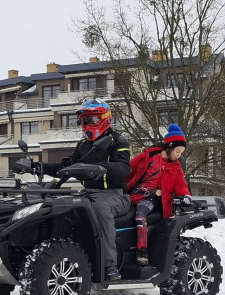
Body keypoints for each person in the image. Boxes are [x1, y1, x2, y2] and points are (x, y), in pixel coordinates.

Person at [35, 98, 131, 281]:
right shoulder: (83, 145)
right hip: (88, 194)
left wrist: (103, 167)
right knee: (64, 207)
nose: (87, 124)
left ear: (105, 118)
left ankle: (110, 265)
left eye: (92, 119)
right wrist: (41, 167)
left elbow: (124, 168)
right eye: (84, 120)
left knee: (100, 209)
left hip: (115, 195)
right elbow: (67, 167)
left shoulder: (118, 141)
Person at [126, 124, 192, 266]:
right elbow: (128, 170)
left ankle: (142, 251)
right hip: (133, 195)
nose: (179, 155)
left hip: (151, 198)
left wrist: (186, 195)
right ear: (169, 146)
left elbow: (181, 185)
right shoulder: (148, 157)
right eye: (177, 151)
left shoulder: (176, 167)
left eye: (181, 153)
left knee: (140, 215)